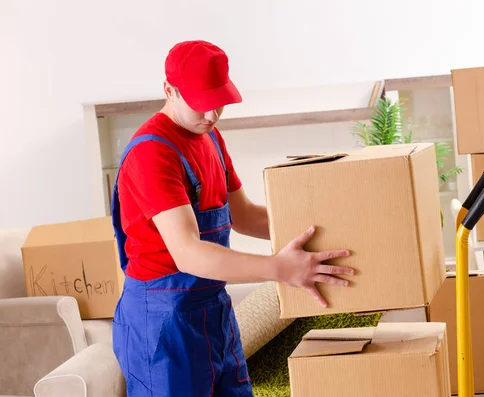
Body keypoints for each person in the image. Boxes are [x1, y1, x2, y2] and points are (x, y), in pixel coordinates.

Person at [110, 40, 355, 397]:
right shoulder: (152, 152)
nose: (212, 115)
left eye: (219, 102)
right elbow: (188, 253)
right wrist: (280, 268)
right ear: (169, 90)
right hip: (163, 321)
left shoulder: (209, 137)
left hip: (213, 313)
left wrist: (329, 231)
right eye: (202, 103)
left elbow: (245, 216)